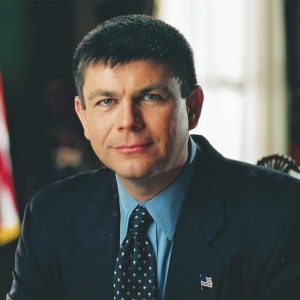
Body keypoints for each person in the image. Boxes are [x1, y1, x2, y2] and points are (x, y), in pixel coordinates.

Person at [7, 14, 300, 300]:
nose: (128, 121)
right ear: (83, 116)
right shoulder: (50, 215)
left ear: (193, 108)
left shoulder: (281, 215)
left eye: (151, 97)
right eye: (106, 101)